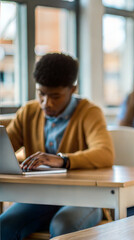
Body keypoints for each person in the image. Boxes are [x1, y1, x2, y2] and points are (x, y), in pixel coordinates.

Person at [0, 53, 114, 239]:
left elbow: (105, 153)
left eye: (55, 96)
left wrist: (63, 160)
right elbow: (5, 147)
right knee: (4, 225)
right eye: (41, 94)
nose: (46, 103)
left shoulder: (90, 113)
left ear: (72, 89)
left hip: (86, 197)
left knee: (63, 225)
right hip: (41, 197)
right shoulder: (28, 112)